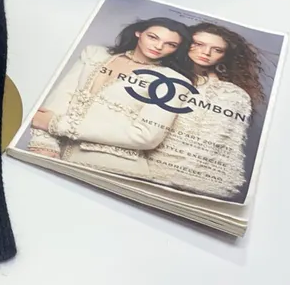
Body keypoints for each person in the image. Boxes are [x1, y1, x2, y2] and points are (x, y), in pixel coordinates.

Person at [28, 18, 194, 179]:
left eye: (171, 44)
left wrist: (60, 125)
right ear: (138, 33)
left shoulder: (172, 81)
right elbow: (56, 102)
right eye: (153, 37)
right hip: (57, 155)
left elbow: (146, 136)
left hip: (116, 170)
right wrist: (44, 142)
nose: (159, 46)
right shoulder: (94, 54)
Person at [147, 22, 264, 199]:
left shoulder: (231, 95)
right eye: (198, 44)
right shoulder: (155, 73)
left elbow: (216, 145)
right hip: (135, 164)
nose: (206, 53)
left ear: (225, 56)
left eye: (217, 50)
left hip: (187, 181)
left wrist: (175, 180)